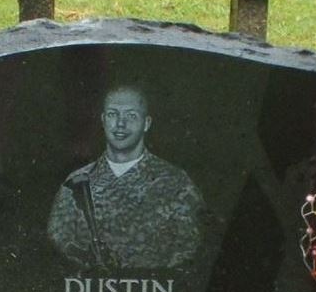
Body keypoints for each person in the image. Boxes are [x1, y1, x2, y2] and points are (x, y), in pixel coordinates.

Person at [47, 86, 204, 270]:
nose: (120, 124)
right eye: (113, 114)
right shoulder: (77, 183)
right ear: (104, 120)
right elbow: (58, 242)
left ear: (146, 123)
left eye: (131, 116)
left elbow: (190, 247)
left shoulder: (175, 182)